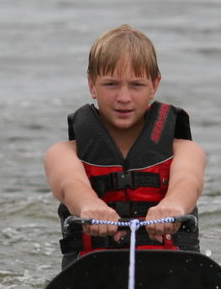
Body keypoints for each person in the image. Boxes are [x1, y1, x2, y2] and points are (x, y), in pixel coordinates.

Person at [45, 25, 206, 267]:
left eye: (136, 85)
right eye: (111, 84)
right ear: (92, 85)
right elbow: (71, 184)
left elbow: (188, 181)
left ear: (154, 85)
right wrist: (89, 206)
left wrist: (173, 205)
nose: (123, 97)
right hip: (91, 272)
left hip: (173, 270)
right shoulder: (62, 154)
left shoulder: (185, 150)